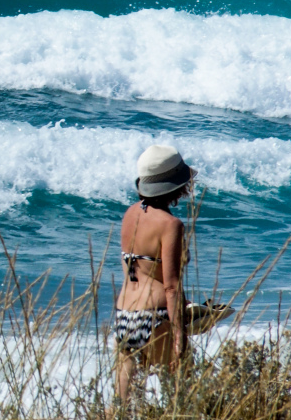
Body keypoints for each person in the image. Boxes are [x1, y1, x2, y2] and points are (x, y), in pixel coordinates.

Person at [113, 144, 194, 403]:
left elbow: (132, 266)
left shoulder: (130, 213)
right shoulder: (171, 225)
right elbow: (171, 285)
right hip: (155, 315)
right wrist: (179, 334)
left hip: (125, 314)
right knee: (184, 391)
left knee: (123, 403)